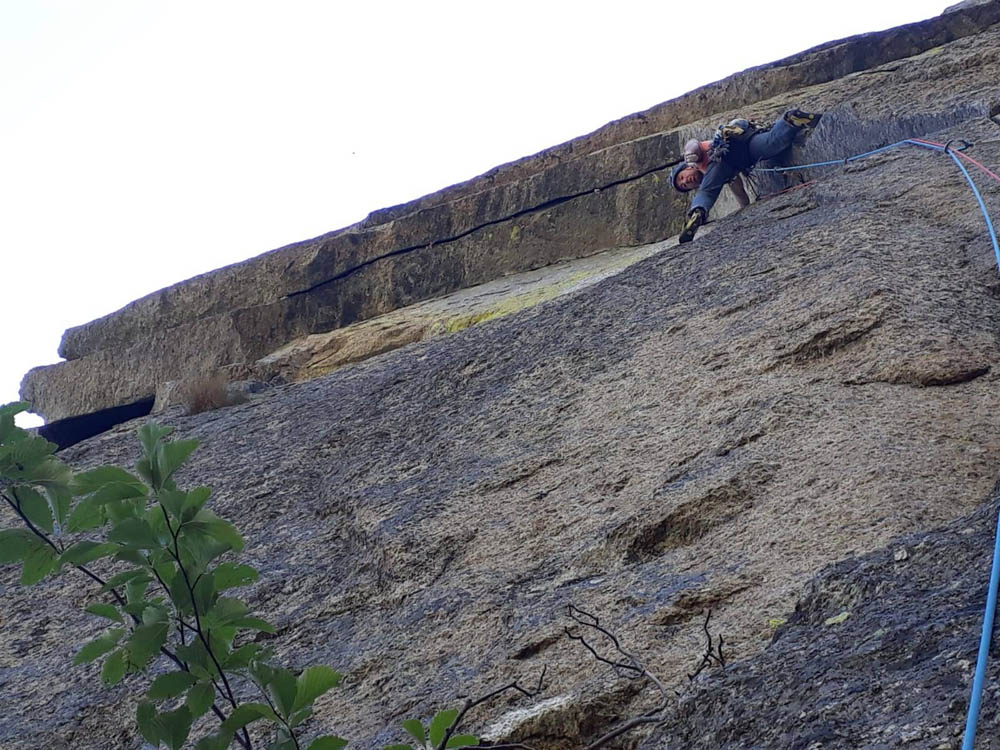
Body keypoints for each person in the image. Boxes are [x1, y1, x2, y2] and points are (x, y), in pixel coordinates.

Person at [671, 108, 822, 243]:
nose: (686, 181)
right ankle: (790, 121)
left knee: (707, 192)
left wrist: (691, 156)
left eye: (682, 177)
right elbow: (740, 194)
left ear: (687, 167)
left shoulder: (696, 160)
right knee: (772, 143)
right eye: (685, 185)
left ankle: (698, 212)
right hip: (747, 148)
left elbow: (693, 146)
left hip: (724, 148)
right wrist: (747, 211)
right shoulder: (724, 177)